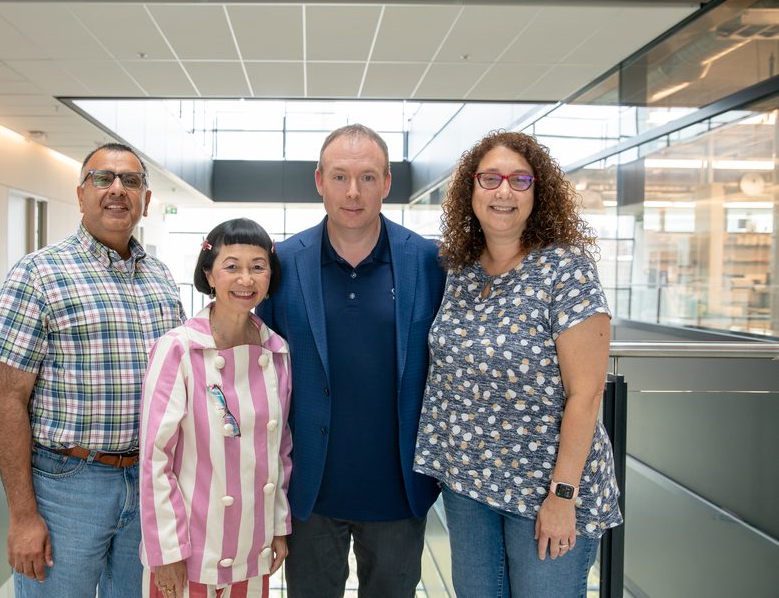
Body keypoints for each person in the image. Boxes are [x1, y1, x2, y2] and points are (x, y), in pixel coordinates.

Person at [413, 130, 623, 598]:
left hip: (546, 488)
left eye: (519, 180)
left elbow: (586, 393)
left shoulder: (566, 269)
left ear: (538, 192)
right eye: (490, 178)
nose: (503, 190)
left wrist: (562, 495)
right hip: (468, 483)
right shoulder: (459, 270)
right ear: (471, 191)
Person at [0, 143, 185, 598]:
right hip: (67, 487)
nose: (117, 189)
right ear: (81, 193)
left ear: (147, 200)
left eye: (131, 181)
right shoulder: (38, 274)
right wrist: (22, 515)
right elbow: (8, 401)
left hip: (148, 483)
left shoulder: (162, 280)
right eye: (103, 178)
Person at [256, 124, 446, 598]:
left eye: (367, 177)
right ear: (319, 181)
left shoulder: (428, 261)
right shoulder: (281, 262)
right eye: (340, 177)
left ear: (386, 184)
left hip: (399, 490)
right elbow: (258, 369)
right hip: (310, 489)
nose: (353, 192)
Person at [140, 218, 291, 598]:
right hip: (191, 548)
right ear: (208, 274)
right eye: (232, 266)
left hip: (253, 546)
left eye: (258, 267)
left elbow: (280, 451)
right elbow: (155, 459)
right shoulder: (178, 347)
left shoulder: (277, 350)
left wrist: (278, 527)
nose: (246, 279)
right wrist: (166, 552)